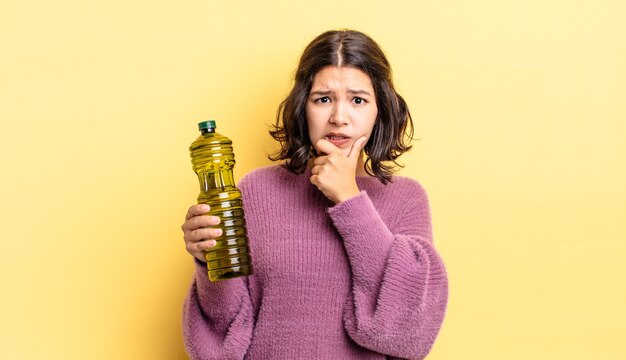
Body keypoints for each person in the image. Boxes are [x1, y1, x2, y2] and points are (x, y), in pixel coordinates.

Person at [181, 29, 448, 360]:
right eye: (323, 99)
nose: (338, 117)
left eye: (358, 100)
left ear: (380, 109)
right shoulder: (256, 191)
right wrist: (210, 261)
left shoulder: (406, 199)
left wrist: (349, 199)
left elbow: (408, 332)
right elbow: (224, 336)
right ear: (302, 107)